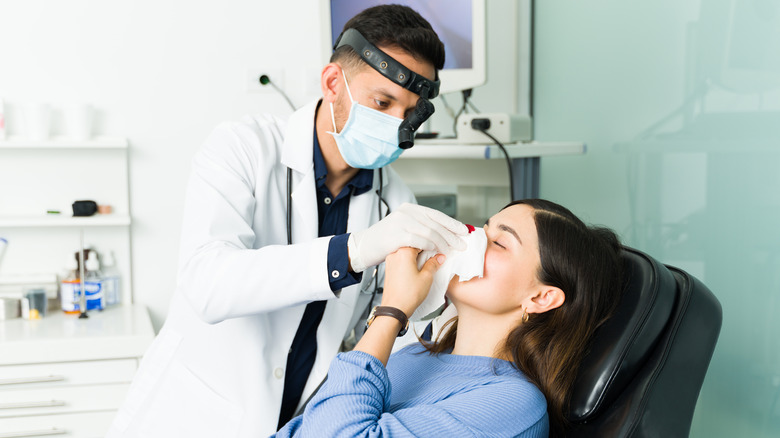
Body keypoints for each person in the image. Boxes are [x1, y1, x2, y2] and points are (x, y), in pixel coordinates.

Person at [107, 5, 468, 438]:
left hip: (294, 423)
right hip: (195, 417)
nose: (395, 125)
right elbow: (207, 285)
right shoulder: (242, 149)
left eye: (407, 112)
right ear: (334, 82)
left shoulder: (395, 204)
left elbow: (378, 332)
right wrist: (352, 251)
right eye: (382, 102)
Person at [275, 199, 625, 437]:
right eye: (484, 230)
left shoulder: (513, 405)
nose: (472, 241)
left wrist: (393, 311)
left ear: (541, 297)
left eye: (500, 243)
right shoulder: (415, 355)